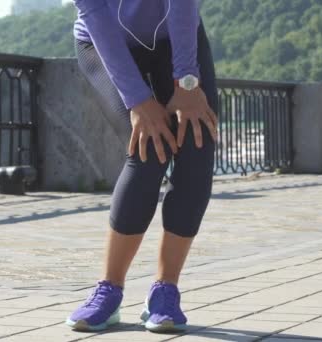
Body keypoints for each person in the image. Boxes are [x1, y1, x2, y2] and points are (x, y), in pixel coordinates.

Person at [65, 0, 218, 334]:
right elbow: (94, 12)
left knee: (197, 143)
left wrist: (187, 83)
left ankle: (165, 291)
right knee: (150, 147)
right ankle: (109, 289)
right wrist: (138, 101)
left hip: (176, 38)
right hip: (104, 41)